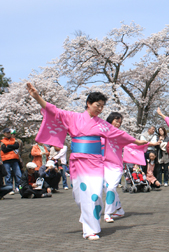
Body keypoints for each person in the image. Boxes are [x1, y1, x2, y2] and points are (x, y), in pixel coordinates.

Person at [27, 83, 147, 240]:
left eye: (102, 106)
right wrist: (37, 97)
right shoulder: (73, 117)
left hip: (95, 163)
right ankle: (87, 217)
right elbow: (53, 111)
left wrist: (136, 141)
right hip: (78, 162)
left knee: (94, 194)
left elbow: (118, 134)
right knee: (79, 195)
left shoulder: (102, 124)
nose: (100, 109)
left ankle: (90, 229)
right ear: (89, 103)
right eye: (98, 105)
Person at [103, 112, 139, 223]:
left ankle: (108, 213)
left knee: (111, 188)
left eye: (120, 122)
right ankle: (119, 210)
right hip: (103, 165)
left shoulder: (120, 134)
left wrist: (148, 144)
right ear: (110, 120)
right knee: (108, 189)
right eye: (116, 121)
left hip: (116, 166)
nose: (118, 123)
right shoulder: (102, 132)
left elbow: (133, 143)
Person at [0, 128, 22, 193]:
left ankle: (19, 187)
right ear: (4, 133)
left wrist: (8, 146)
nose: (9, 134)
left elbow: (17, 146)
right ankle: (10, 188)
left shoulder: (15, 140)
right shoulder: (2, 141)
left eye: (9, 132)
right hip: (6, 160)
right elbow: (4, 149)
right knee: (8, 175)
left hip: (14, 159)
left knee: (18, 174)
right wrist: (12, 147)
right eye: (7, 133)